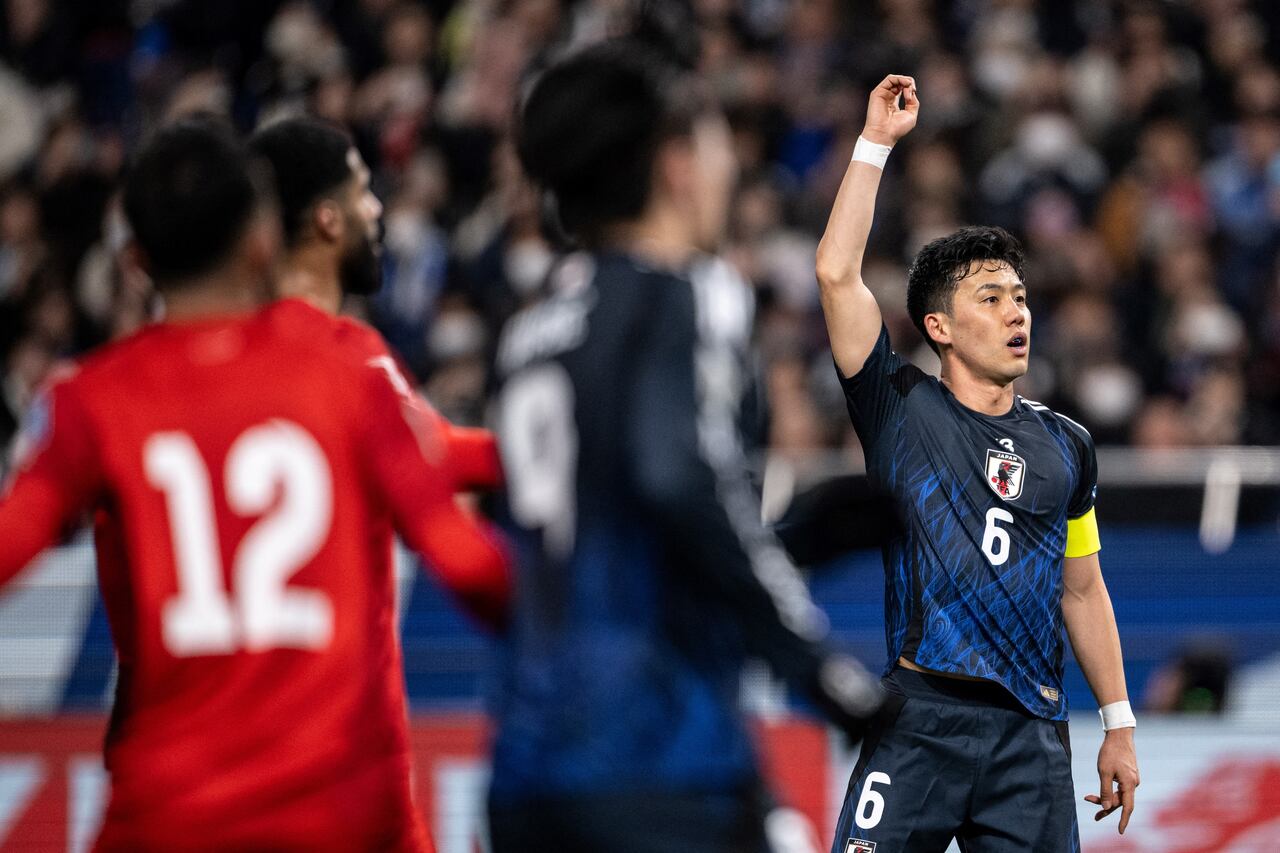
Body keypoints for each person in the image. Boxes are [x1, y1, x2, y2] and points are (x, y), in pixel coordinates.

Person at [0, 118, 509, 851]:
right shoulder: (341, 372)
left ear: (137, 260)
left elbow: (14, 539)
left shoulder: (91, 403)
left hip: (167, 807)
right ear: (262, 240)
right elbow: (463, 550)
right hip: (340, 804)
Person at [486, 40, 882, 853]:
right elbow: (675, 475)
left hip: (526, 774)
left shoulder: (530, 333)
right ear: (676, 165)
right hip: (662, 759)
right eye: (713, 143)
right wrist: (817, 667)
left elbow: (611, 537)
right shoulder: (690, 295)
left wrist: (794, 541)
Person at [816, 76, 1140, 852]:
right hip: (918, 720)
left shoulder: (1068, 445)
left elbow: (1083, 586)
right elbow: (836, 275)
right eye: (991, 297)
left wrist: (1119, 723)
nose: (1017, 311)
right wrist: (875, 146)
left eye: (1021, 297)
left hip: (1028, 739)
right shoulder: (898, 407)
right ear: (940, 326)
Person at [248, 115, 502, 493]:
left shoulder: (232, 344)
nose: (375, 209)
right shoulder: (349, 355)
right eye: (363, 193)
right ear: (328, 220)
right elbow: (436, 454)